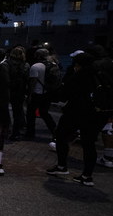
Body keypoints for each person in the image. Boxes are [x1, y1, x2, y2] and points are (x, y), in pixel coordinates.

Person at [46, 52, 109, 186]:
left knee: (61, 135)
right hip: (97, 114)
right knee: (89, 144)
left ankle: (62, 166)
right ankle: (87, 176)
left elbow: (63, 95)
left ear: (78, 64)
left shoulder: (79, 76)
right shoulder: (101, 75)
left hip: (77, 112)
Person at [25, 48, 57, 141]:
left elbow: (33, 82)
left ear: (37, 56)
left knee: (30, 114)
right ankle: (54, 130)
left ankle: (30, 133)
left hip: (37, 93)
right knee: (44, 113)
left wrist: (29, 95)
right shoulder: (53, 64)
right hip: (48, 93)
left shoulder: (36, 66)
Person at [3, 45, 30, 140]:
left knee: (5, 110)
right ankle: (16, 132)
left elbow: (4, 78)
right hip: (20, 91)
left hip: (8, 90)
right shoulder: (26, 65)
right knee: (17, 113)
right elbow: (27, 79)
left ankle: (6, 129)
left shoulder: (6, 63)